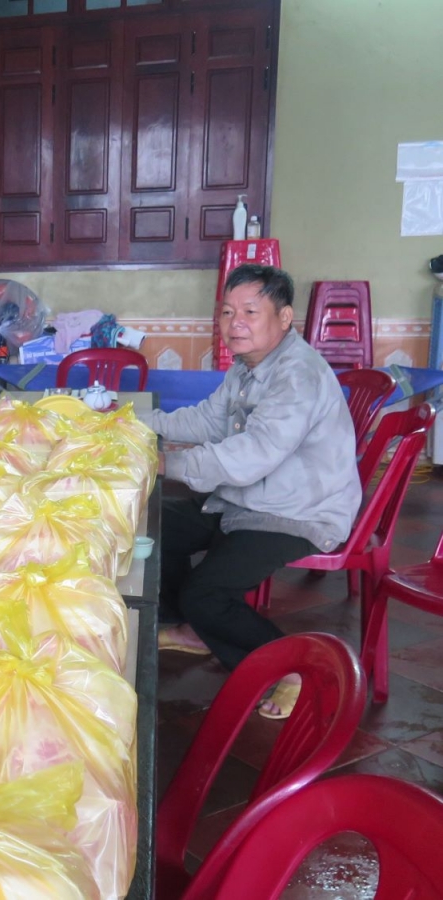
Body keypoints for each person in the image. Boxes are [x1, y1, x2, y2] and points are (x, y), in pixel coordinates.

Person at [147, 265, 361, 719]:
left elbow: (253, 455)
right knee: (154, 522)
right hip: (248, 497)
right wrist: (137, 426)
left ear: (284, 319)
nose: (234, 323)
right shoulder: (248, 366)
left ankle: (293, 668)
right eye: (227, 311)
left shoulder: (295, 375)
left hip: (296, 510)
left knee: (207, 594)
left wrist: (170, 462)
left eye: (249, 311)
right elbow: (206, 421)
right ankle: (193, 629)